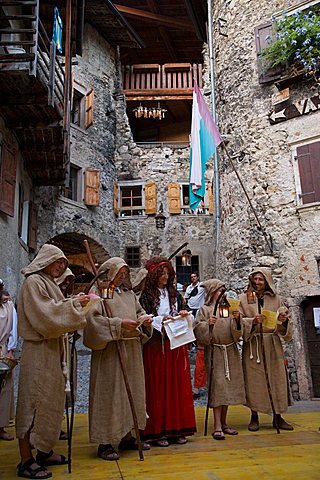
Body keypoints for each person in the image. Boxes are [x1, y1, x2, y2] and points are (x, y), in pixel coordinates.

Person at [16, 244, 89, 479]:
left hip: (52, 349)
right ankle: (26, 459)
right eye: (59, 262)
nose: (61, 267)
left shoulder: (48, 282)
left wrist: (75, 302)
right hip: (38, 351)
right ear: (46, 259)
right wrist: (76, 305)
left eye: (64, 264)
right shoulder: (33, 282)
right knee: (33, 401)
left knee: (50, 401)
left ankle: (44, 451)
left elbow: (57, 308)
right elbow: (47, 315)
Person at [83, 257, 153, 461]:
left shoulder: (129, 294)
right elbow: (92, 321)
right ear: (109, 273)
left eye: (125, 274)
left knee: (130, 392)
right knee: (110, 394)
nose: (122, 277)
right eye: (119, 274)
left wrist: (144, 321)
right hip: (111, 352)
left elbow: (139, 312)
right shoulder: (99, 294)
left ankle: (127, 435)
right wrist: (117, 325)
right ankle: (104, 441)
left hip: (131, 350)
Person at [140, 257, 196, 447]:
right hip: (156, 346)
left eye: (167, 273)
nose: (166, 277)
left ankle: (177, 428)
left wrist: (183, 315)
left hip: (175, 346)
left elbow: (187, 311)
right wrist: (159, 320)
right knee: (157, 387)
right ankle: (158, 431)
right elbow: (143, 317)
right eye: (162, 273)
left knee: (176, 387)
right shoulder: (146, 296)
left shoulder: (175, 294)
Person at [239, 267, 293, 432]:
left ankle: (278, 416)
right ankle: (254, 416)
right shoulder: (244, 298)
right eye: (255, 279)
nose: (257, 282)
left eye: (260, 279)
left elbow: (285, 322)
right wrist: (252, 322)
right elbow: (239, 321)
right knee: (254, 380)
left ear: (267, 281)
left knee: (277, 379)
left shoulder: (277, 299)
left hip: (272, 344)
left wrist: (283, 321)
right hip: (253, 344)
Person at [194, 279, 245, 440]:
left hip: (229, 351)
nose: (222, 293)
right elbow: (197, 329)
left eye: (223, 290)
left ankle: (224, 423)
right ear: (212, 293)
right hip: (215, 352)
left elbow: (237, 333)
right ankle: (217, 425)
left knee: (227, 389)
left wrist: (237, 320)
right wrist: (207, 325)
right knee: (218, 388)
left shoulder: (228, 309)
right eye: (219, 290)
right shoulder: (205, 309)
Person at [184, 273, 206, 399]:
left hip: (199, 309)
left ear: (198, 278)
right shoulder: (189, 289)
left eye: (194, 277)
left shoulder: (201, 287)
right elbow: (186, 297)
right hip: (191, 309)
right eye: (191, 277)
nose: (193, 279)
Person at [0, 287, 18, 441]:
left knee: (4, 390)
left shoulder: (8, 307)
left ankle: (0, 427)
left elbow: (13, 328)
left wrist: (11, 349)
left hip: (2, 351)